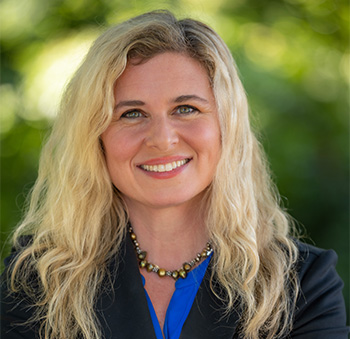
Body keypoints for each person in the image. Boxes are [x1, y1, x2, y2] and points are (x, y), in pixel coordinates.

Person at [1, 10, 348, 339]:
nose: (163, 140)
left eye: (186, 109)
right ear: (96, 137)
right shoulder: (37, 280)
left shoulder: (301, 285)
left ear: (226, 127)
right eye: (132, 114)